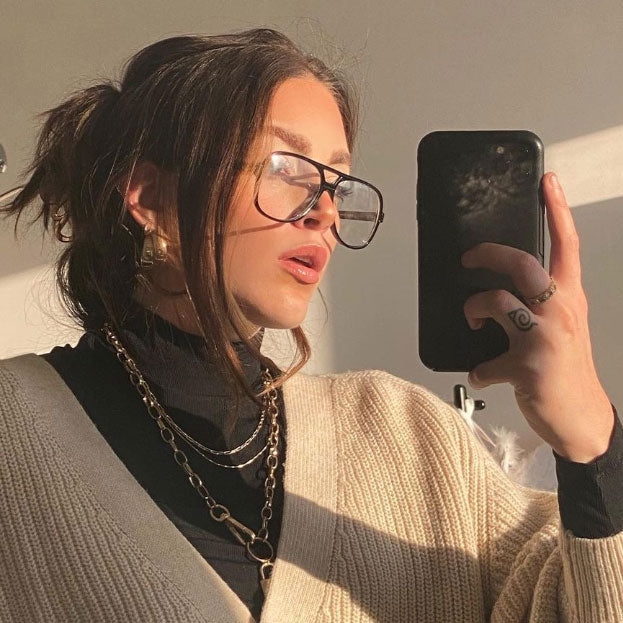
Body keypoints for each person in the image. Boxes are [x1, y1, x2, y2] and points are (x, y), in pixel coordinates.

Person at [0, 28, 621, 623]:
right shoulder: (17, 436)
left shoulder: (411, 437)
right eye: (286, 167)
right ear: (151, 198)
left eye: (336, 182)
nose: (325, 211)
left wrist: (590, 439)